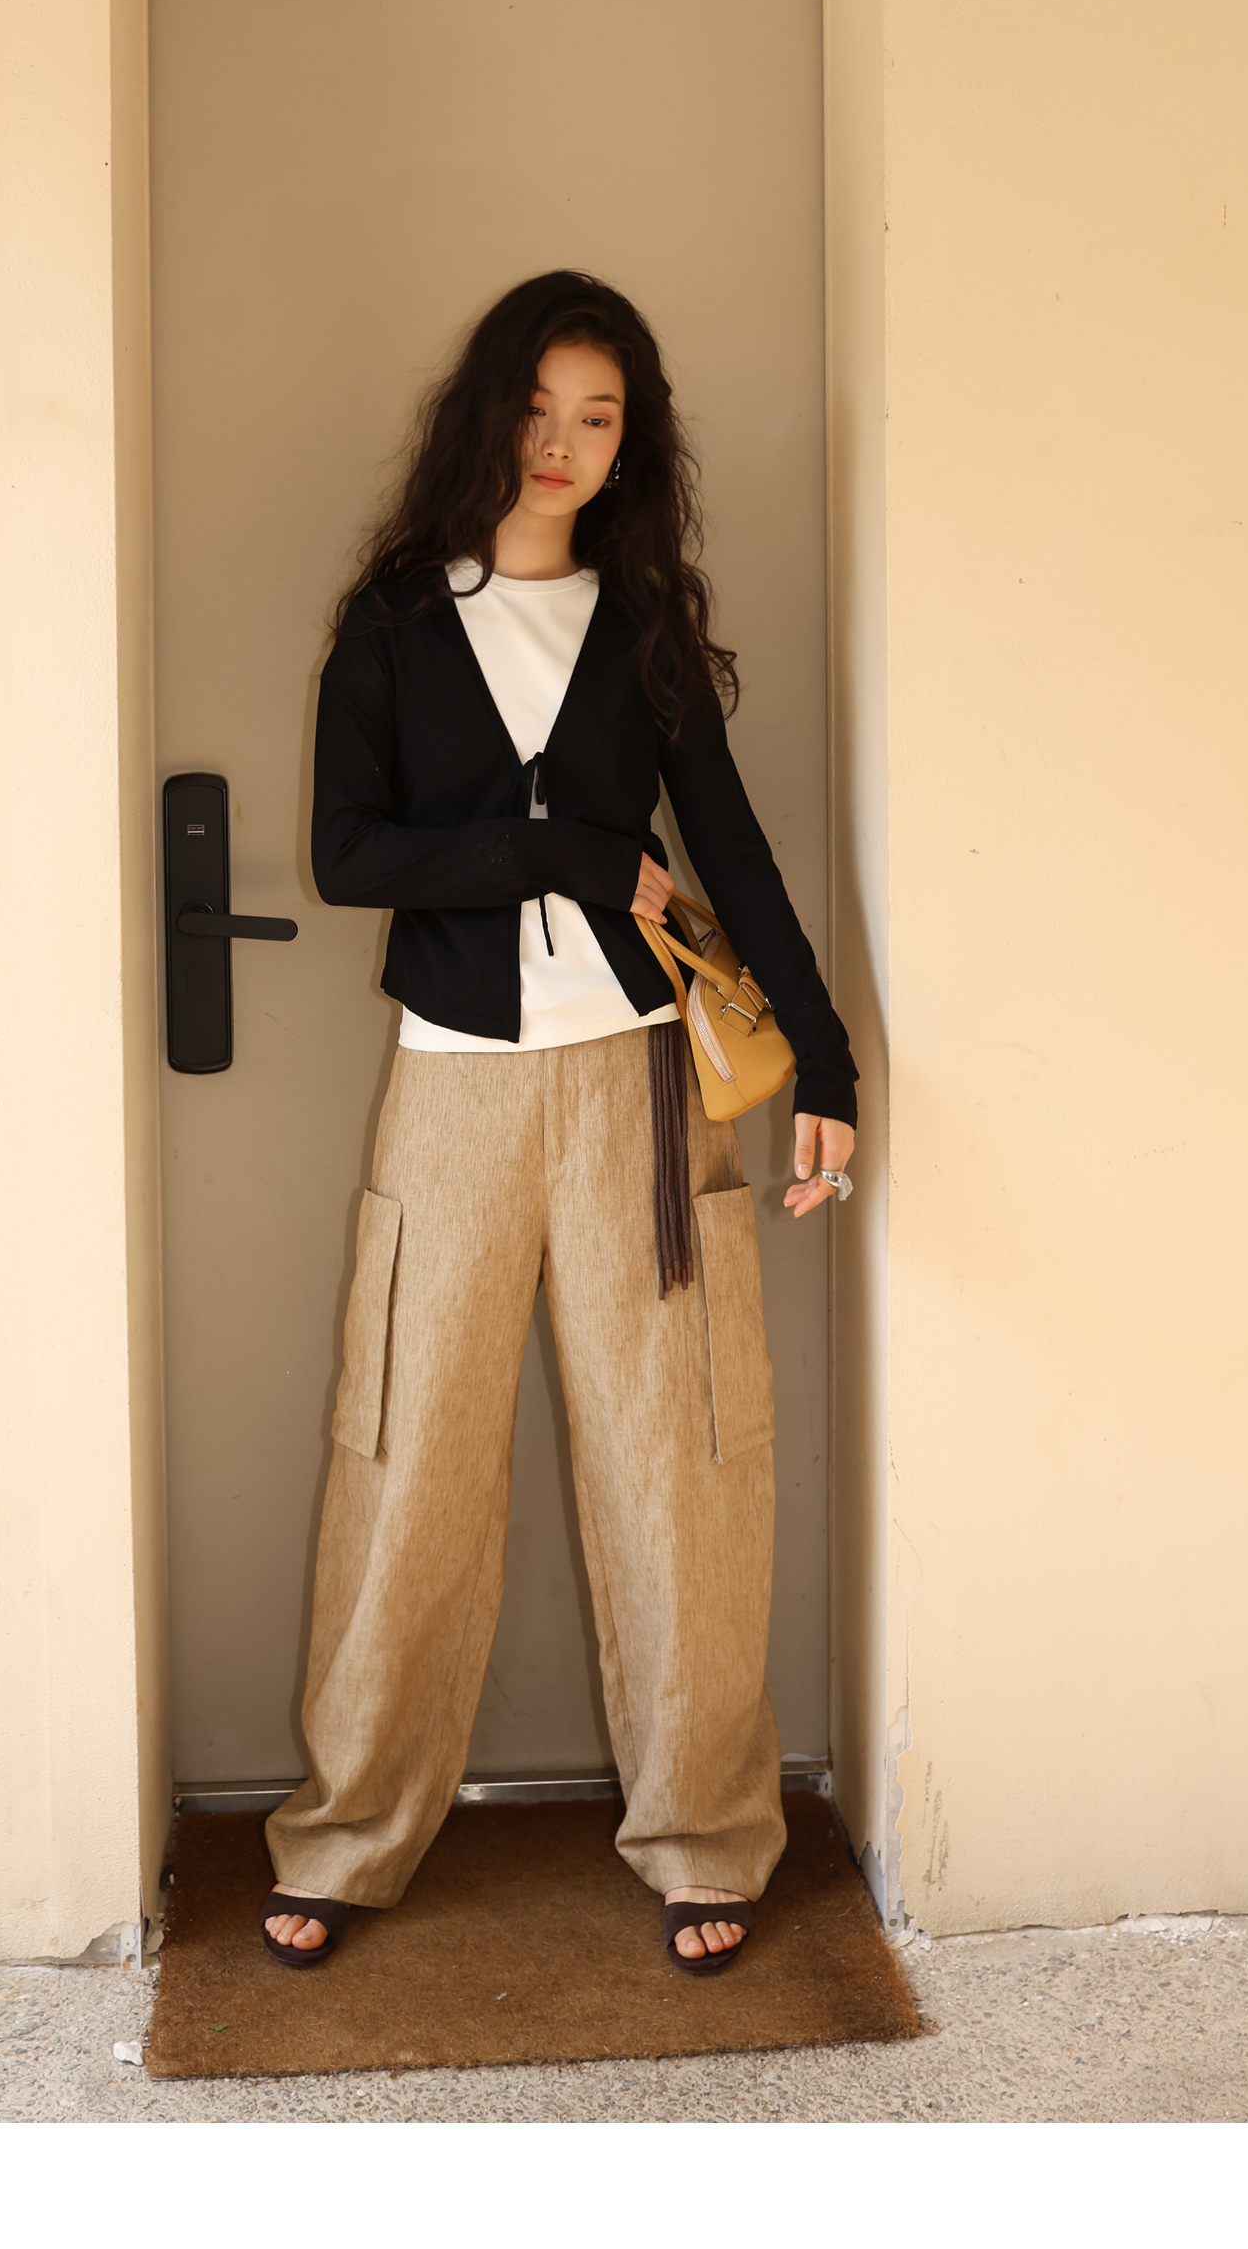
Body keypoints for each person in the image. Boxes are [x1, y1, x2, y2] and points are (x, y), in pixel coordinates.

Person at [262, 271, 857, 1977]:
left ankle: (705, 1834)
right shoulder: (391, 625)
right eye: (539, 410)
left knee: (683, 1463)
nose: (563, 445)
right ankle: (349, 1831)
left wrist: (828, 1064)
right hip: (451, 1084)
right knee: (405, 1463)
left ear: (628, 443)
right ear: (488, 416)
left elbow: (730, 849)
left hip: (641, 1088)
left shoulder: (643, 625)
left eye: (598, 418)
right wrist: (567, 852)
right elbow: (350, 857)